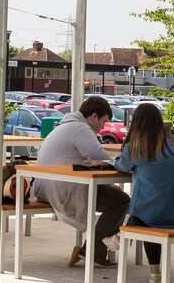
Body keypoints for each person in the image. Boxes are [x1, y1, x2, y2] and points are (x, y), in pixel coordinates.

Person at [35, 96, 129, 269]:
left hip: (44, 188)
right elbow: (99, 157)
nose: (103, 127)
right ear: (94, 116)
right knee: (121, 201)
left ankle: (97, 248)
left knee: (113, 194)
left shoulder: (65, 125)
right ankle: (93, 251)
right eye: (103, 121)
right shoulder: (81, 128)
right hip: (61, 188)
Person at [111, 103, 174, 283]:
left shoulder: (135, 147)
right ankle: (120, 234)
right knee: (148, 211)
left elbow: (121, 166)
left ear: (136, 123)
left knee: (144, 217)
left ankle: (154, 273)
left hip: (155, 217)